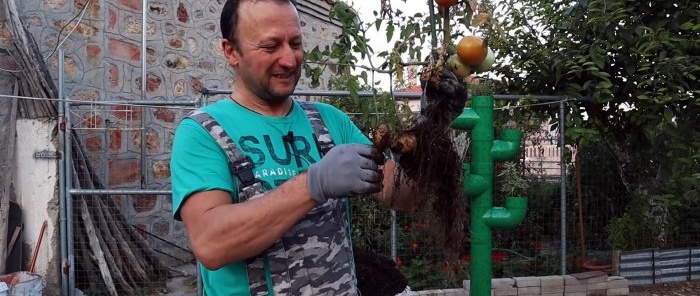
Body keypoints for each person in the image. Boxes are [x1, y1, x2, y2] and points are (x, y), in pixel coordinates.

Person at [170, 0, 416, 295]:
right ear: (231, 52)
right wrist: (313, 184)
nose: (289, 59)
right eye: (271, 46)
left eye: (295, 43)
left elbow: (403, 196)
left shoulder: (329, 122)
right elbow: (211, 243)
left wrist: (430, 129)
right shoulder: (203, 132)